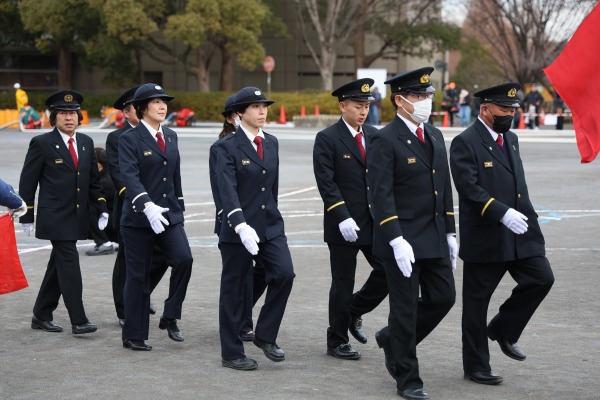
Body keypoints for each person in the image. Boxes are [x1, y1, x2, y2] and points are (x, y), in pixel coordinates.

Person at [449, 83, 555, 386]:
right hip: (487, 234)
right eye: (504, 109)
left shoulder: (512, 138)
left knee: (542, 278)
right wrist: (500, 211)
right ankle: (476, 366)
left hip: (520, 233)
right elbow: (469, 189)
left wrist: (523, 217)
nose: (509, 114)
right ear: (485, 109)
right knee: (476, 303)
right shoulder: (465, 142)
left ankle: (503, 328)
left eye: (512, 110)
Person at [368, 67, 457, 400]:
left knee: (444, 297)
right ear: (399, 100)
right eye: (418, 97)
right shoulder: (383, 138)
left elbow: (443, 188)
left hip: (432, 235)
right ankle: (408, 378)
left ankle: (393, 338)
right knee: (404, 308)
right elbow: (380, 193)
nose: (425, 102)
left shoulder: (434, 135)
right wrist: (394, 237)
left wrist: (450, 231)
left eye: (427, 96)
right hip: (401, 239)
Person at [214, 86, 295, 371]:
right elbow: (227, 191)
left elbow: (270, 189)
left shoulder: (271, 142)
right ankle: (231, 352)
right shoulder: (224, 147)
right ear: (239, 113)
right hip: (238, 229)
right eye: (255, 107)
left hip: (270, 226)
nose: (262, 111)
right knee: (234, 289)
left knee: (285, 273)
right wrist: (239, 224)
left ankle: (265, 335)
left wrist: (272, 216)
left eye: (264, 106)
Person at [18, 90, 108, 335]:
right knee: (69, 263)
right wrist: (27, 214)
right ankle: (78, 320)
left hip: (77, 215)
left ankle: (41, 314)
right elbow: (28, 182)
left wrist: (101, 206)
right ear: (53, 117)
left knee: (57, 266)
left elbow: (93, 182)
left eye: (73, 114)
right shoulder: (42, 143)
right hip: (54, 216)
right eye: (63, 114)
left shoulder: (86, 143)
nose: (69, 118)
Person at [313, 78, 388, 360]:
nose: (364, 111)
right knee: (342, 283)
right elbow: (327, 183)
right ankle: (336, 341)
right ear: (342, 106)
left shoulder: (374, 134)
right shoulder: (328, 138)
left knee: (388, 272)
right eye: (358, 105)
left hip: (372, 222)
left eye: (367, 106)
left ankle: (355, 310)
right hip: (342, 224)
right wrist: (342, 215)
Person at [118, 84, 193, 351]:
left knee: (184, 259)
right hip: (139, 218)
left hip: (168, 215)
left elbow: (175, 175)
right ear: (142, 108)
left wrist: (179, 208)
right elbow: (129, 175)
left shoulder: (171, 136)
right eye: (155, 102)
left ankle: (170, 314)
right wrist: (146, 205)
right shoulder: (128, 138)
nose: (162, 106)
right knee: (137, 275)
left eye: (164, 102)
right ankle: (134, 335)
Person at [106, 85, 169, 327]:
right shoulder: (117, 138)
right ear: (128, 111)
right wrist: (138, 199)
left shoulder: (161, 133)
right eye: (138, 105)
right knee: (127, 261)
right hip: (131, 208)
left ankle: (141, 293)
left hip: (159, 208)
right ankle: (124, 308)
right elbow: (119, 174)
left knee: (162, 255)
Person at [209, 94, 267, 343]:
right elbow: (221, 190)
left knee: (263, 270)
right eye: (233, 115)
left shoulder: (260, 143)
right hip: (232, 220)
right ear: (232, 117)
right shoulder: (222, 147)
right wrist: (230, 218)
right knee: (239, 275)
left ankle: (242, 312)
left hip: (258, 219)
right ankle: (241, 323)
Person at [85, 147, 117, 256]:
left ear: (99, 164)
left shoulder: (105, 182)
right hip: (119, 224)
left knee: (87, 208)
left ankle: (104, 243)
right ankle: (123, 242)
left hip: (116, 224)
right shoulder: (109, 174)